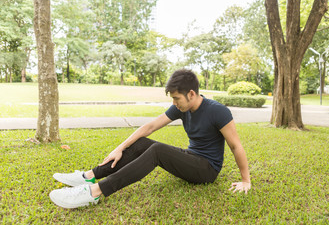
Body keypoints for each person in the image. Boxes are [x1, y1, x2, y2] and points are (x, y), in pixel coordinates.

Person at [49, 69, 251, 209]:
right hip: (190, 157)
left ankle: (94, 192)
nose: (174, 103)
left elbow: (235, 146)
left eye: (176, 98)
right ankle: (90, 175)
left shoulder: (218, 111)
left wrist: (245, 180)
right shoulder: (182, 107)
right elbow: (150, 127)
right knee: (142, 143)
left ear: (191, 94)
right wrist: (119, 148)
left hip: (207, 170)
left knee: (157, 151)